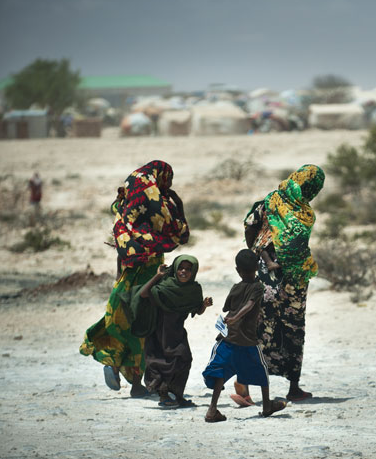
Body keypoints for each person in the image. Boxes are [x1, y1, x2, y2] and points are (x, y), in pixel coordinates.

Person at [80, 160, 189, 397]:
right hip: (150, 279)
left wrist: (119, 277)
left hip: (126, 278)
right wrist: (177, 203)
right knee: (146, 325)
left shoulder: (125, 217)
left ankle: (118, 367)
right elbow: (182, 234)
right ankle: (137, 382)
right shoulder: (160, 213)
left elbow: (122, 252)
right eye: (167, 180)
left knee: (121, 321)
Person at [235, 164, 325, 404]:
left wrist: (256, 252)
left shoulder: (273, 202)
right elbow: (253, 227)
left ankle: (251, 384)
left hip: (278, 275)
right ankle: (284, 387)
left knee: (269, 327)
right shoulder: (294, 207)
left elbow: (250, 225)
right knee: (287, 327)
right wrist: (259, 255)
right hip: (286, 275)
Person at [202, 249, 287, 422]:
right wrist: (236, 317)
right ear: (257, 266)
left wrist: (232, 316)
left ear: (236, 269)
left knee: (220, 371)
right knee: (262, 371)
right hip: (248, 340)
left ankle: (212, 410)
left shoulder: (235, 287)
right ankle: (267, 405)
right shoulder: (257, 286)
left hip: (228, 338)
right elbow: (249, 305)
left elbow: (227, 308)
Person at [124, 255, 213, 407]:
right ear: (176, 269)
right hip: (160, 332)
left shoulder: (194, 289)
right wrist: (157, 276)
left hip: (177, 331)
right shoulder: (165, 285)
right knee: (163, 362)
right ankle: (164, 396)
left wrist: (204, 305)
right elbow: (144, 294)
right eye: (181, 268)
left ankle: (177, 396)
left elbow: (197, 310)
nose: (184, 272)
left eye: (188, 269)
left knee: (184, 359)